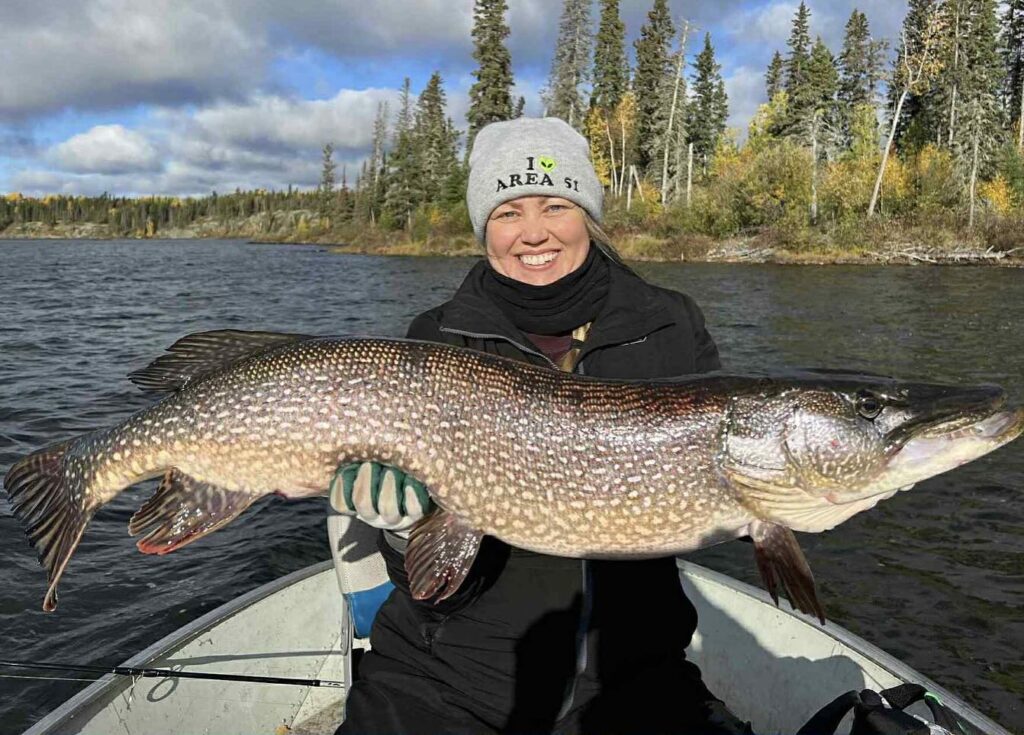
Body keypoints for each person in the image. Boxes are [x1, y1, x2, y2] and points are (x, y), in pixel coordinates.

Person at [332, 117, 750, 735]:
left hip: (632, 677)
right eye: (507, 213)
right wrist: (399, 531)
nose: (533, 233)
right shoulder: (437, 338)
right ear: (484, 229)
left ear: (587, 214)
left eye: (555, 205)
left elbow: (737, 494)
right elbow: (428, 578)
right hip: (441, 675)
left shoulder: (670, 324)